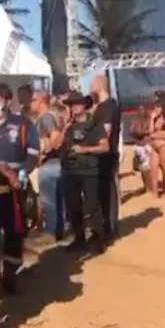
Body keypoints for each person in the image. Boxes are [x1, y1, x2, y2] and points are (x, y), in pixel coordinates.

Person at [0, 83, 40, 298]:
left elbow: (32, 153)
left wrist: (22, 173)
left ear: (8, 101)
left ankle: (10, 277)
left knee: (15, 231)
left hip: (14, 188)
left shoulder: (22, 125)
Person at [60, 92, 109, 252]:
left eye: (75, 104)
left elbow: (104, 146)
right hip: (70, 171)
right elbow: (55, 146)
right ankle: (79, 238)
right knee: (73, 207)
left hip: (89, 171)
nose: (72, 108)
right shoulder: (69, 126)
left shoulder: (94, 124)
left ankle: (97, 239)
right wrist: (64, 128)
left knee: (92, 207)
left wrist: (84, 149)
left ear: (83, 105)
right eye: (70, 105)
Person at [90, 75, 122, 242]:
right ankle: (104, 227)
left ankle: (110, 228)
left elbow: (106, 131)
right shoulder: (100, 107)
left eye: (92, 84)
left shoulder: (109, 107)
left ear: (100, 85)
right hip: (98, 156)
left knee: (108, 193)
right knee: (100, 193)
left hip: (107, 156)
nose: (90, 87)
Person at [32, 90, 65, 240]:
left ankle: (51, 232)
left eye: (33, 100)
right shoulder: (55, 114)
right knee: (60, 201)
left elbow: (56, 136)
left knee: (49, 202)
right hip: (60, 163)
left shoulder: (45, 117)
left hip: (49, 164)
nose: (31, 103)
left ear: (41, 101)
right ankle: (61, 231)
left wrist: (45, 152)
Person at [149, 100, 165, 197]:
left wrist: (156, 135)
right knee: (153, 168)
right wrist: (152, 119)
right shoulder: (155, 118)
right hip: (154, 146)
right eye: (155, 107)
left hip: (164, 145)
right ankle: (155, 192)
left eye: (159, 107)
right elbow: (150, 132)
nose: (156, 109)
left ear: (163, 108)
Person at [129, 105, 153, 193]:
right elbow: (131, 131)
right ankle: (146, 187)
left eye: (143, 109)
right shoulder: (135, 120)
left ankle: (150, 187)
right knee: (142, 169)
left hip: (147, 145)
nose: (142, 111)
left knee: (149, 168)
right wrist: (141, 132)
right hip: (139, 145)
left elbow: (152, 131)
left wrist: (144, 132)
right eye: (140, 109)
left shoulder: (150, 119)